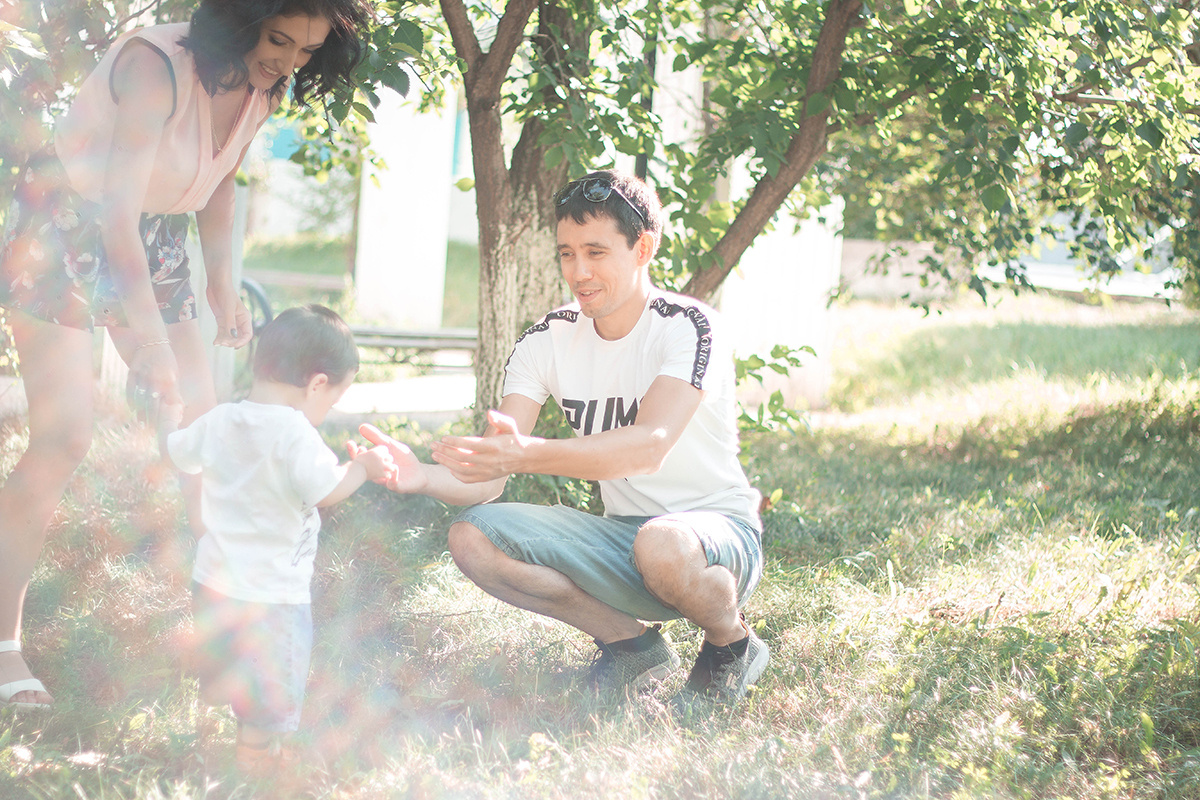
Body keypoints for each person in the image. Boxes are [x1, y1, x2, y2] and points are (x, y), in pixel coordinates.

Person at [0, 0, 372, 710]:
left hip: (154, 234)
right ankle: (2, 645)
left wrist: (224, 290)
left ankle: (226, 636)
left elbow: (219, 180)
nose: (287, 63)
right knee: (64, 438)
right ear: (241, 21)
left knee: (209, 431)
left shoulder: (264, 84)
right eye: (278, 41)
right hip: (64, 225)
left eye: (305, 52)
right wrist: (147, 343)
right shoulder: (154, 68)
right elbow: (113, 216)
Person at [357, 169, 769, 707]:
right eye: (567, 253)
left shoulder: (687, 326)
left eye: (596, 252)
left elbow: (650, 446)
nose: (579, 271)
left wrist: (530, 454)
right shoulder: (547, 339)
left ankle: (731, 645)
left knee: (663, 543)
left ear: (643, 247)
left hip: (716, 535)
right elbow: (489, 476)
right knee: (472, 536)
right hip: (624, 537)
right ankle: (633, 646)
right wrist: (420, 477)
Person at [161, 304, 396, 775]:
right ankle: (255, 763)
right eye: (333, 398)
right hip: (273, 597)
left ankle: (223, 690)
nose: (326, 410)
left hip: (212, 582)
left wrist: (168, 416)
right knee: (271, 689)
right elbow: (325, 491)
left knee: (231, 663)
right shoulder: (294, 431)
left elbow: (179, 454)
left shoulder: (221, 418)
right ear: (316, 385)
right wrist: (362, 467)